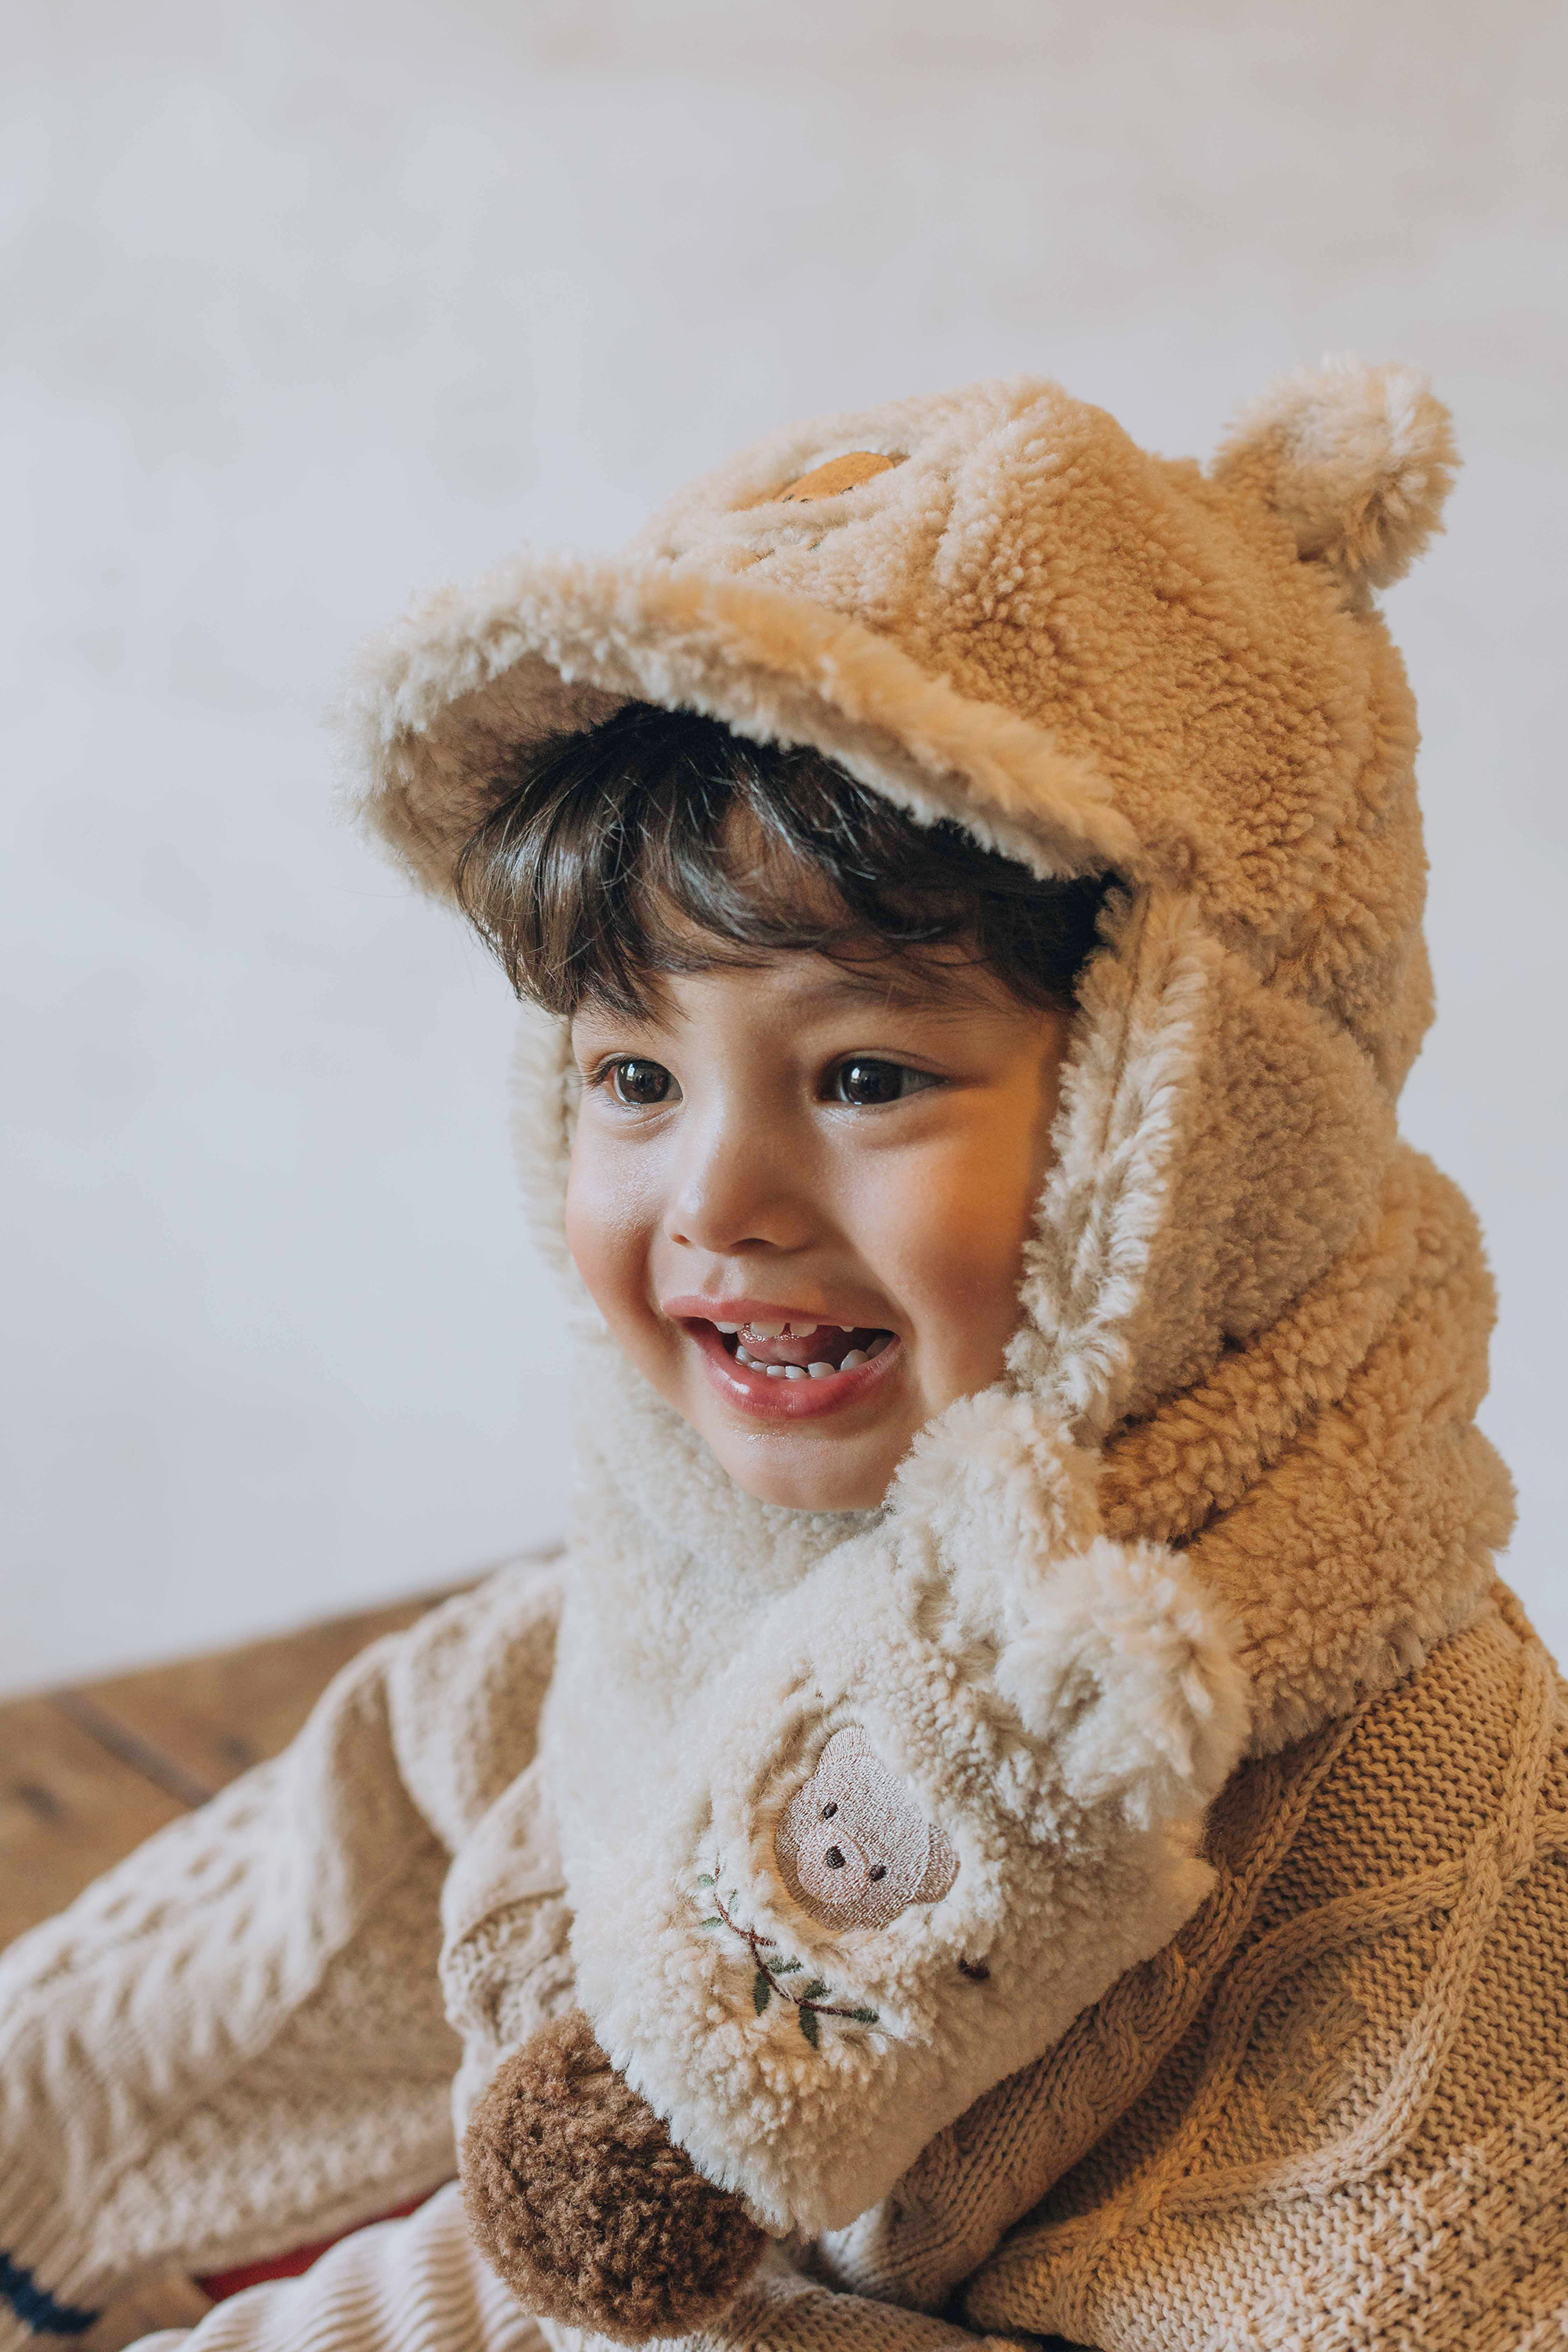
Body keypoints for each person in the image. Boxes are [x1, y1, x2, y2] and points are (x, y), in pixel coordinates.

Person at [3, 364, 1563, 2352]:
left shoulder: (1425, 1821)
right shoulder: (654, 1586)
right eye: (632, 1077)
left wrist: (462, 2307)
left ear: (1203, 1130)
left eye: (863, 1076)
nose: (717, 1198)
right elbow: (313, 1915)